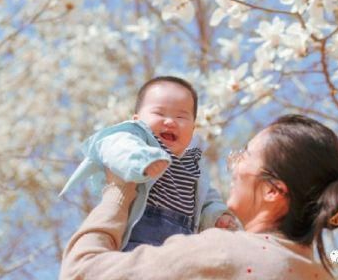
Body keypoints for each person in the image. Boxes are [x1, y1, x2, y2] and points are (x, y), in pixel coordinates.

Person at [59, 114, 338, 279]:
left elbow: (82, 273)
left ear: (273, 191)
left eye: (245, 155)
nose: (233, 164)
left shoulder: (223, 252)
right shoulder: (320, 272)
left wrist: (119, 188)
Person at [60, 76, 239, 251]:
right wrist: (140, 160)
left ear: (193, 129)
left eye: (181, 117)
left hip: (182, 243)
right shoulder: (136, 140)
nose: (170, 122)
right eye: (159, 113)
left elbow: (207, 198)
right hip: (139, 233)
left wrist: (217, 215)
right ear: (137, 120)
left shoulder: (193, 164)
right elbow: (115, 146)